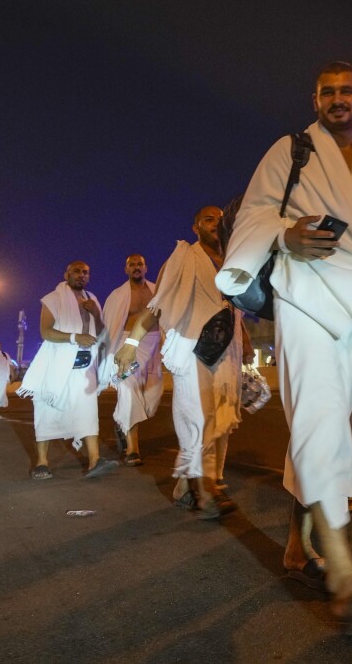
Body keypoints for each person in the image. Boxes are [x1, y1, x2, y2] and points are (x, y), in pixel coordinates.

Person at [217, 61, 352, 635]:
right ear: (315, 99)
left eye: (345, 91)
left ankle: (297, 552)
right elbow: (255, 213)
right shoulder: (291, 149)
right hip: (303, 297)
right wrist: (286, 234)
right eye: (327, 92)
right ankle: (348, 580)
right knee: (319, 421)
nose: (336, 99)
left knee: (331, 428)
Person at [117, 207, 250, 517]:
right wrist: (131, 343)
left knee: (221, 414)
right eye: (208, 219)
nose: (216, 223)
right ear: (195, 227)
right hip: (193, 348)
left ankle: (188, 487)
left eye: (220, 219)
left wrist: (244, 339)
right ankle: (207, 494)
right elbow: (158, 304)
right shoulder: (183, 258)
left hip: (226, 349)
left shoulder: (232, 259)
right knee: (199, 415)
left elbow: (234, 305)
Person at [18, 261, 118, 480]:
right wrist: (75, 338)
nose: (81, 275)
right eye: (76, 271)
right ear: (66, 274)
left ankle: (95, 461)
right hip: (56, 364)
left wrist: (96, 315)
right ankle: (42, 463)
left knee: (88, 412)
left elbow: (101, 334)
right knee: (46, 412)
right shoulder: (52, 299)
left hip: (85, 365)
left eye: (85, 272)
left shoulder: (92, 300)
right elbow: (46, 332)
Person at [98, 254, 164, 464]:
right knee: (128, 387)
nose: (136, 267)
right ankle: (132, 448)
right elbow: (109, 325)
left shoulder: (158, 291)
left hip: (154, 345)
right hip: (126, 345)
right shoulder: (117, 296)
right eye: (132, 264)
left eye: (140, 264)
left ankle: (121, 421)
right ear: (126, 270)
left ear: (145, 268)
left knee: (152, 397)